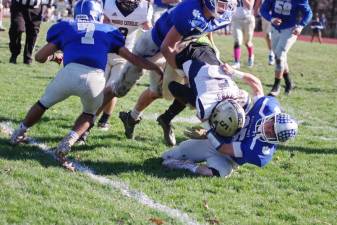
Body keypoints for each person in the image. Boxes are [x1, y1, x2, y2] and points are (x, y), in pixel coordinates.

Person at [10, 0, 162, 171]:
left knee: (43, 104)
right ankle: (70, 140)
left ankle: (19, 132)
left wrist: (55, 57)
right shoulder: (109, 31)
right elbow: (133, 59)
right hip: (95, 78)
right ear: (98, 14)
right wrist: (155, 67)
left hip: (68, 74)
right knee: (89, 115)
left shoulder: (67, 26)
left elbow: (38, 57)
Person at [113, 0, 236, 141]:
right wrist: (181, 72)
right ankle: (113, 116)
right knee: (147, 90)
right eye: (222, 2)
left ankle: (160, 118)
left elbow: (206, 27)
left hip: (180, 47)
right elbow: (167, 46)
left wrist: (213, 48)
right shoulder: (190, 11)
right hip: (157, 46)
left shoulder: (221, 15)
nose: (225, 7)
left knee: (180, 89)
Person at [161, 94, 298, 177]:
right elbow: (255, 83)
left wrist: (208, 130)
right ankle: (180, 157)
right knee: (165, 157)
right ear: (273, 117)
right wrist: (234, 73)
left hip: (228, 159)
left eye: (273, 134)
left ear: (277, 140)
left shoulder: (261, 152)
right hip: (215, 142)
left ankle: (186, 166)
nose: (268, 130)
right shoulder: (267, 108)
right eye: (271, 125)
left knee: (218, 173)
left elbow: (223, 149)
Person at [156, 40, 262, 146]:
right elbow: (209, 127)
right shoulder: (205, 103)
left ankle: (166, 118)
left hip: (209, 52)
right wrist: (207, 133)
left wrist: (234, 72)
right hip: (185, 53)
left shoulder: (241, 98)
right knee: (169, 91)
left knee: (192, 96)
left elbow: (256, 82)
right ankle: (165, 117)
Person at [95, 0, 153, 130]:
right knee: (97, 88)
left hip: (125, 55)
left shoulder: (145, 7)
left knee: (112, 88)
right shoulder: (107, 4)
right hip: (105, 52)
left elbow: (149, 31)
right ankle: (90, 116)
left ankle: (104, 120)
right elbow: (99, 26)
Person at [260, 0, 312, 96]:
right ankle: (289, 82)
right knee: (279, 56)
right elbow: (263, 9)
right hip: (275, 28)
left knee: (279, 56)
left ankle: (276, 87)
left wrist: (300, 26)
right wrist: (271, 19)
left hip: (290, 30)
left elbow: (308, 13)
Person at [8, 0, 44, 64]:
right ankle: (14, 54)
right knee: (17, 28)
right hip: (18, 5)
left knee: (33, 32)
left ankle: (28, 57)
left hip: (35, 7)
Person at [231, 0, 256, 69]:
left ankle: (251, 56)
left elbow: (250, 7)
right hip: (236, 20)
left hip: (248, 20)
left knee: (247, 42)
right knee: (237, 41)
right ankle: (236, 62)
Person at [254, 0, 274, 65]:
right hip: (265, 16)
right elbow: (258, 2)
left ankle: (272, 54)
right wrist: (255, 12)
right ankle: (271, 51)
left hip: (275, 16)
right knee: (266, 36)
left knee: (270, 35)